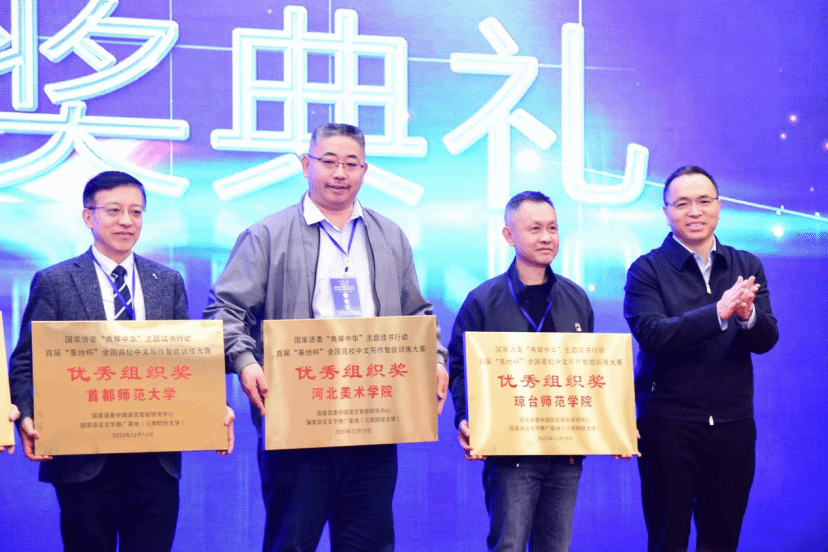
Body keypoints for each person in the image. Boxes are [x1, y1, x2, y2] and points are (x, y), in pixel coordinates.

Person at [203, 122, 449, 552]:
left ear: (365, 171)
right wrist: (245, 362)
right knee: (292, 542)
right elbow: (225, 311)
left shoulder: (390, 236)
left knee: (369, 543)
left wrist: (437, 360)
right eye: (328, 161)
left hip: (374, 413)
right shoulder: (267, 235)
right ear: (306, 165)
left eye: (351, 164)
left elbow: (417, 313)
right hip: (297, 415)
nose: (340, 173)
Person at [8, 170, 235, 552]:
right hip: (82, 458)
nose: (127, 221)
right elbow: (26, 362)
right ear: (88, 216)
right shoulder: (54, 281)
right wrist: (27, 414)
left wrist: (214, 408)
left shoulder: (167, 281)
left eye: (136, 211)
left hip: (155, 458)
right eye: (113, 210)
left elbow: (187, 360)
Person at [623, 166, 779, 552]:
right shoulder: (647, 269)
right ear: (666, 213)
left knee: (722, 539)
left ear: (719, 208)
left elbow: (766, 339)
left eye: (704, 201)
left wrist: (747, 316)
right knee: (667, 538)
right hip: (668, 424)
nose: (694, 211)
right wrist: (718, 312)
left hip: (733, 424)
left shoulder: (746, 265)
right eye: (682, 204)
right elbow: (654, 335)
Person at [448, 191, 594, 552]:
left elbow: (591, 372)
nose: (546, 237)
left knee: (556, 547)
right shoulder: (483, 300)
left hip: (565, 453)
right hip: (510, 453)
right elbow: (460, 367)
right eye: (534, 229)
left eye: (552, 228)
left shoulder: (576, 297)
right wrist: (466, 417)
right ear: (509, 236)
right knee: (508, 545)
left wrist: (613, 428)